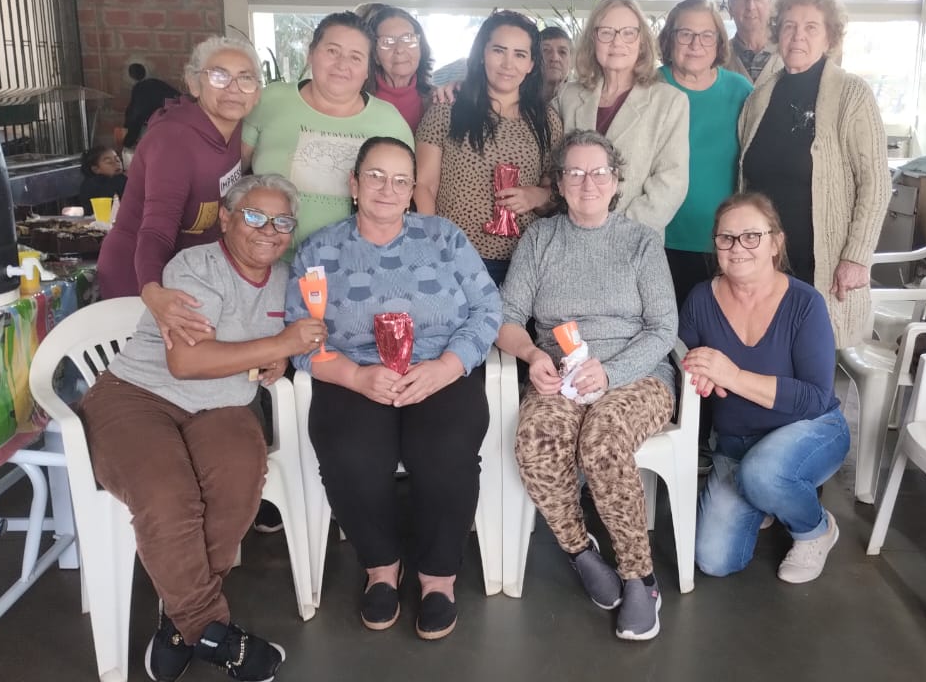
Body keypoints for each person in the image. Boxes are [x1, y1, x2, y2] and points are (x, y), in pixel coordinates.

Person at [78, 174, 325, 682]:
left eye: (282, 221)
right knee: (166, 495)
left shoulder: (287, 279)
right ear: (227, 219)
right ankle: (211, 632)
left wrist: (280, 357)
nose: (269, 230)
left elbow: (290, 341)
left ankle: (178, 622)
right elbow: (186, 363)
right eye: (254, 216)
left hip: (223, 405)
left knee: (238, 482)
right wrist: (281, 345)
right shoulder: (193, 266)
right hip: (139, 397)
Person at [287, 136, 500, 640]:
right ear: (354, 183)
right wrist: (355, 376)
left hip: (437, 368)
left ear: (412, 190)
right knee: (349, 452)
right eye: (376, 177)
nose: (388, 189)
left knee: (445, 451)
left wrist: (446, 367)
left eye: (401, 180)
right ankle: (381, 567)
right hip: (356, 372)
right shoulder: (320, 250)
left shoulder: (443, 237)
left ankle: (438, 576)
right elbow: (299, 336)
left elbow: (488, 309)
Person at [498, 130, 677, 641]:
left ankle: (640, 577)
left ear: (616, 180)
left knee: (603, 438)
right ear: (558, 183)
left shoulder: (641, 241)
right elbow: (506, 319)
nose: (588, 183)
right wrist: (533, 355)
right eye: (574, 173)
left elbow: (664, 329)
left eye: (599, 172)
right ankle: (580, 551)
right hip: (560, 375)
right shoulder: (540, 239)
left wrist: (611, 372)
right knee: (536, 440)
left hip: (637, 375)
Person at [679, 192, 849, 584]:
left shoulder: (805, 303)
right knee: (714, 560)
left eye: (751, 236)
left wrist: (731, 375)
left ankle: (816, 530)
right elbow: (683, 361)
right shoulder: (701, 299)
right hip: (737, 445)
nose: (738, 247)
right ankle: (766, 497)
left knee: (764, 473)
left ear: (776, 243)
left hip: (811, 429)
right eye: (726, 238)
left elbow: (815, 397)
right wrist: (698, 372)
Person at [737, 0, 890, 349]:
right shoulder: (759, 97)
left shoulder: (851, 94)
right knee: (761, 357)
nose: (798, 37)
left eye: (811, 27)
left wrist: (856, 257)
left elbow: (876, 184)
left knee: (811, 361)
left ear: (829, 36)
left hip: (820, 263)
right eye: (789, 26)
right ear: (777, 33)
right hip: (764, 264)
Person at [97, 36, 261, 349]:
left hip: (185, 273)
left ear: (257, 92)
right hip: (138, 271)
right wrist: (152, 291)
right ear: (194, 83)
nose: (233, 88)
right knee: (147, 368)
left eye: (245, 78)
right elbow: (156, 229)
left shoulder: (237, 130)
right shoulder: (174, 140)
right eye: (219, 76)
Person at [243, 11, 413, 250]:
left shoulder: (389, 121)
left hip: (353, 261)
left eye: (356, 57)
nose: (342, 65)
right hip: (268, 256)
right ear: (311, 53)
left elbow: (404, 198)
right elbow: (232, 172)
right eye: (332, 51)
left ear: (367, 69)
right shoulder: (270, 101)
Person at [414, 10, 561, 285]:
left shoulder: (546, 121)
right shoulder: (447, 109)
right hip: (455, 255)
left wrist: (537, 196)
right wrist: (433, 245)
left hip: (523, 262)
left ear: (531, 64)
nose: (508, 64)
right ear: (482, 54)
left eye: (520, 54)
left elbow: (556, 191)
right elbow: (424, 185)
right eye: (498, 50)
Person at [555, 0, 690, 237]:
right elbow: (553, 167)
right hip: (569, 235)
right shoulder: (568, 95)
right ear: (592, 40)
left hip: (634, 239)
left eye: (628, 33)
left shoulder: (669, 102)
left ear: (642, 42)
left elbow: (671, 183)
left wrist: (617, 233)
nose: (617, 42)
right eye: (607, 33)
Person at [657, 0, 753, 307]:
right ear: (669, 39)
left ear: (719, 42)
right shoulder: (649, 87)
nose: (695, 44)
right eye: (685, 33)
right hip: (657, 239)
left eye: (706, 35)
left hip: (724, 243)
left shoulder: (741, 91)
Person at [365, 6, 434, 132]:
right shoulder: (358, 101)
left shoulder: (436, 100)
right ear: (375, 55)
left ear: (420, 48)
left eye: (408, 39)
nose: (399, 49)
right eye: (387, 42)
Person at [724, 0, 784, 84]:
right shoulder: (716, 58)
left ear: (772, 4)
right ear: (730, 6)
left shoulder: (790, 53)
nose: (750, 6)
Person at [122, 62, 182, 149]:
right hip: (181, 124)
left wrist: (127, 142)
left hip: (167, 128)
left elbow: (135, 116)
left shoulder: (140, 89)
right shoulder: (157, 84)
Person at [540, 25, 572, 102]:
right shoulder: (517, 97)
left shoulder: (583, 99)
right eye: (546, 50)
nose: (554, 58)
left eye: (562, 52)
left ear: (571, 60)